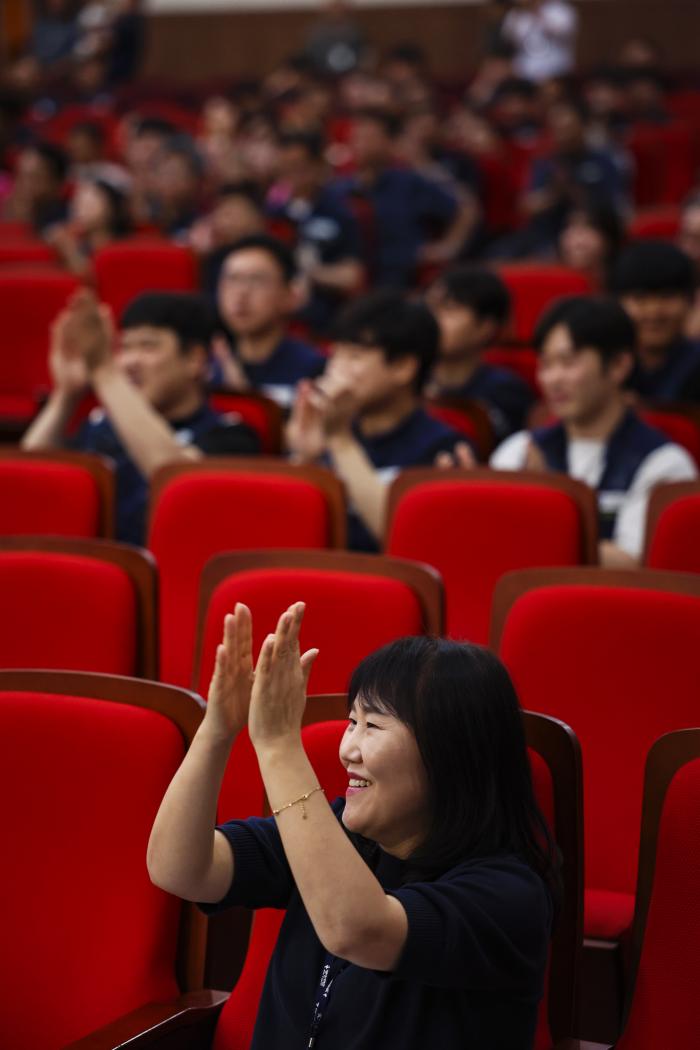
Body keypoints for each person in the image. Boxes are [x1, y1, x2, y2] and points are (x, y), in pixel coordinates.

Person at [147, 602, 558, 1050]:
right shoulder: (340, 837)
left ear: (451, 755)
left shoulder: (508, 895)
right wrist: (217, 730)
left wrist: (280, 745)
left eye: (373, 725)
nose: (348, 749)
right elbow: (179, 869)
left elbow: (357, 929)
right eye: (352, 722)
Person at [21, 289, 260, 545]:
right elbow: (29, 482)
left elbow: (178, 483)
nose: (129, 362)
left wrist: (106, 373)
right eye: (124, 347)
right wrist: (66, 396)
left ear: (194, 359)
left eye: (148, 346)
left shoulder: (231, 434)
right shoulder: (101, 424)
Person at [490, 296, 697, 566]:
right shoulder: (518, 451)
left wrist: (543, 514)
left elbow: (635, 564)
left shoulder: (664, 465)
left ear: (619, 365)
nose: (553, 379)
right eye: (546, 364)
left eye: (568, 362)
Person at [286, 289, 469, 550]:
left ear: (403, 367)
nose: (335, 368)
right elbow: (284, 533)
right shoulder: (327, 431)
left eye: (354, 355)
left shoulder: (443, 448)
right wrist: (304, 458)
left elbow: (405, 537)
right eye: (335, 354)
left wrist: (340, 440)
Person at [333, 109, 473, 288]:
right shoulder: (339, 188)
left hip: (402, 280)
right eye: (356, 137)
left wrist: (447, 247)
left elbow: (465, 209)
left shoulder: (408, 182)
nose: (360, 144)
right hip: (355, 281)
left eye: (369, 138)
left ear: (390, 142)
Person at [267, 130, 365, 334]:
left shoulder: (339, 213)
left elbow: (352, 276)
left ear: (317, 166)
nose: (291, 174)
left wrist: (310, 272)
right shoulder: (272, 213)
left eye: (298, 166)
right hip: (276, 319)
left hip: (324, 320)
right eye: (285, 167)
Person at [214, 233, 326, 408]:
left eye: (257, 280)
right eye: (232, 279)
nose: (241, 294)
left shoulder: (314, 370)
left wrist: (247, 401)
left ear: (290, 295)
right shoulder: (205, 368)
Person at [426, 266, 533, 440]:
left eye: (449, 309)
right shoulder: (407, 382)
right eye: (431, 308)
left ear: (486, 327)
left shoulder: (504, 392)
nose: (432, 319)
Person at [610, 240, 700, 403]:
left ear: (691, 301)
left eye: (667, 296)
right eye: (640, 298)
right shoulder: (604, 368)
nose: (653, 312)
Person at [501, 0, 578, 84]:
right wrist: (518, 15)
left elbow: (563, 33)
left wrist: (537, 13)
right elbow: (508, 40)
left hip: (556, 70)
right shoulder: (517, 13)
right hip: (524, 71)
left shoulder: (561, 9)